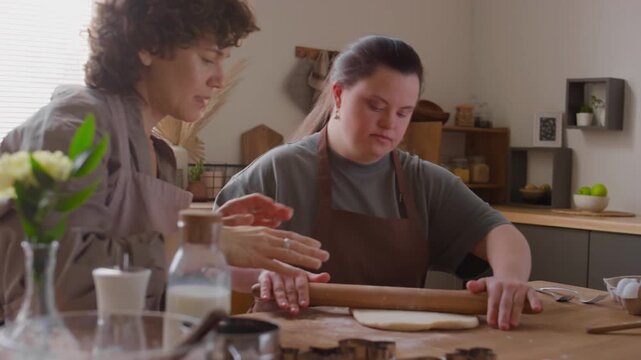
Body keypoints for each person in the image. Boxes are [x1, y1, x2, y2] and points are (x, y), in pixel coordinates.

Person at [0, 0, 328, 322]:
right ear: (147, 46)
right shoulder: (73, 128)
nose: (220, 79)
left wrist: (230, 261)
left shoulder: (162, 154)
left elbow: (149, 275)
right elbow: (58, 283)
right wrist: (197, 241)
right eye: (207, 59)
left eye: (223, 60)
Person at [215, 35, 541, 331]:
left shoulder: (423, 181)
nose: (389, 124)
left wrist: (509, 279)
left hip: (397, 347)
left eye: (403, 113)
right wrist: (264, 276)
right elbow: (206, 258)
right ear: (339, 96)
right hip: (289, 344)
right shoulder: (280, 171)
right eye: (376, 106)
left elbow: (502, 234)